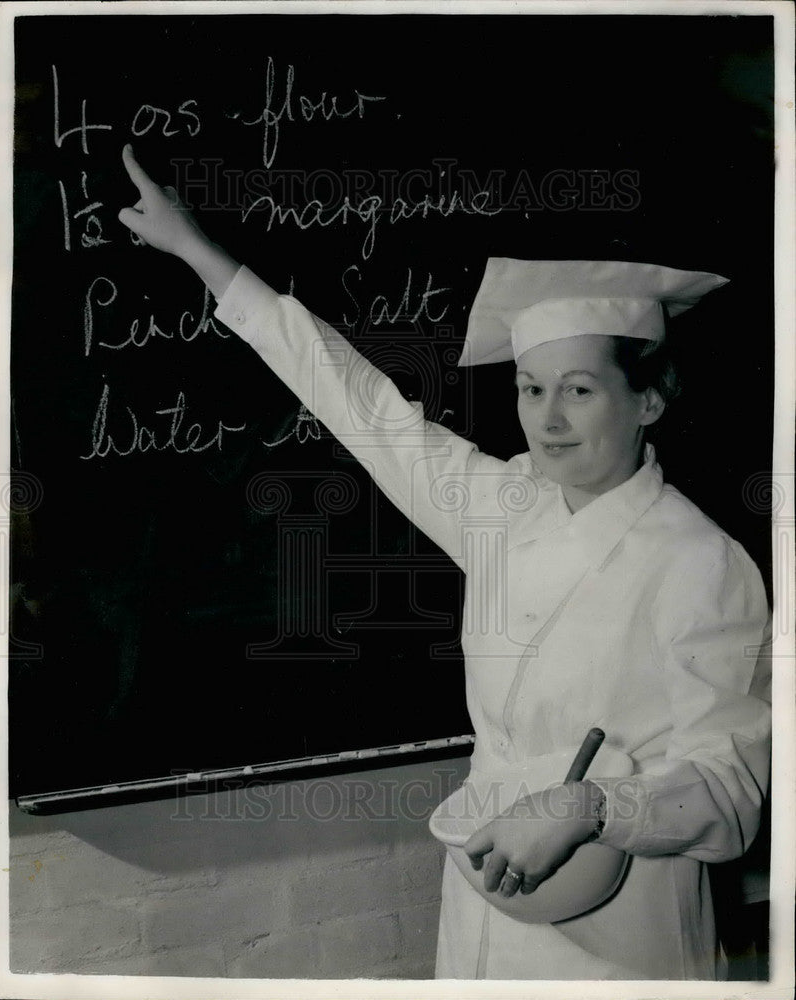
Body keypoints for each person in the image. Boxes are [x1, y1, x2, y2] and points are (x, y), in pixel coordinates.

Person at [118, 144, 772, 980]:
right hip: (485, 896)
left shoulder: (699, 563)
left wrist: (590, 806)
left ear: (647, 398)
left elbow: (732, 789)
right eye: (531, 390)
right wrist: (202, 255)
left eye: (579, 389)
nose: (550, 420)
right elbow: (364, 409)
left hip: (622, 937)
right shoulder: (505, 504)